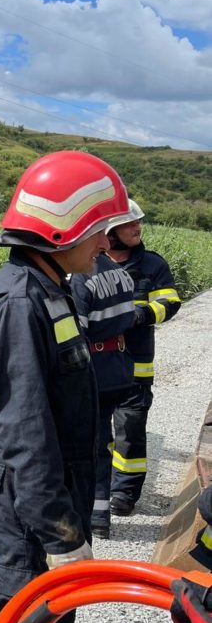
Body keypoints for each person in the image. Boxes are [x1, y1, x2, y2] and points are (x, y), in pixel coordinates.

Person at [0, 151, 129, 623]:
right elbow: (25, 434)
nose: (106, 243)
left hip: (31, 493)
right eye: (100, 228)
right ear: (62, 228)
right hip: (15, 501)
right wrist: (59, 532)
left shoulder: (49, 290)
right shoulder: (19, 306)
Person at [104, 199, 182, 516]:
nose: (137, 227)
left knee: (130, 430)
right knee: (93, 431)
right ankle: (98, 484)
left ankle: (124, 493)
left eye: (138, 222)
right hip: (94, 367)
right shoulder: (88, 263)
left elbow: (171, 301)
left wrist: (141, 315)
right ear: (108, 232)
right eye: (129, 223)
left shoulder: (152, 265)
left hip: (135, 366)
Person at [70, 247, 137, 540]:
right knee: (104, 442)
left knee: (89, 446)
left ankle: (93, 517)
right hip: (119, 367)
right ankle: (99, 515)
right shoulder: (120, 273)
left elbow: (75, 334)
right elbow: (130, 317)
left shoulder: (81, 278)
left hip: (94, 371)